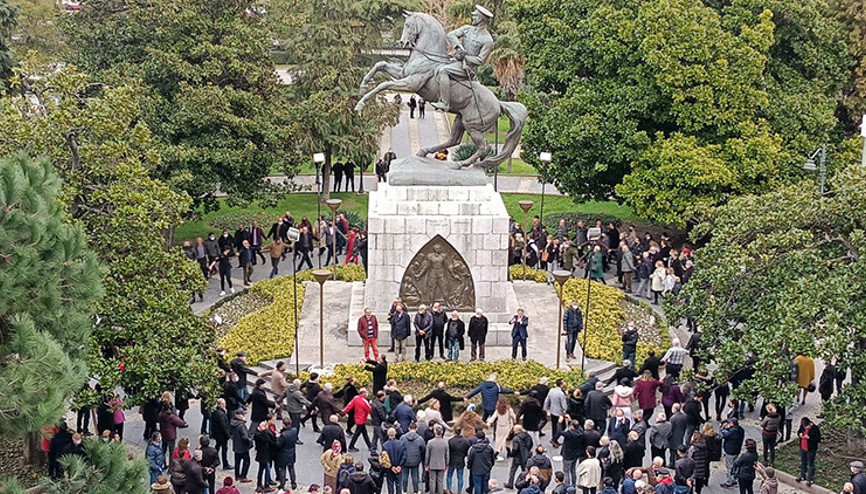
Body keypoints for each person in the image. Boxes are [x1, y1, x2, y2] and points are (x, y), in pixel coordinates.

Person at [431, 6, 494, 112]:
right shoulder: (467, 29)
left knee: (443, 71)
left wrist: (465, 57)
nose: (472, 17)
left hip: (467, 68)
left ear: (480, 19)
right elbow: (451, 35)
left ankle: (445, 103)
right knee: (437, 66)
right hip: (457, 61)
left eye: (475, 16)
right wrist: (458, 47)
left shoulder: (487, 40)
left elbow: (480, 60)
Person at [794, 417, 820, 486]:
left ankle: (810, 479)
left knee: (810, 464)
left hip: (811, 449)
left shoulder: (814, 428)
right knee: (803, 462)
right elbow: (799, 432)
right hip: (803, 447)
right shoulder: (802, 427)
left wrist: (809, 438)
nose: (805, 427)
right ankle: (802, 475)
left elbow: (818, 439)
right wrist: (800, 434)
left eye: (806, 426)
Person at [720, 417, 745, 488]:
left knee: (729, 466)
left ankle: (729, 481)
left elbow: (723, 435)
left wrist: (724, 428)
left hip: (730, 451)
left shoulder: (731, 432)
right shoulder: (741, 430)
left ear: (732, 424)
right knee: (735, 465)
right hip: (737, 450)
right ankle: (734, 479)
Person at [544, 379, 569, 445]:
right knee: (562, 427)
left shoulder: (551, 390)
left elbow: (547, 400)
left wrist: (546, 409)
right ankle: (554, 439)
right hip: (560, 413)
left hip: (553, 411)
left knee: (554, 426)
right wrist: (565, 412)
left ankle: (555, 439)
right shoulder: (561, 394)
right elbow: (564, 405)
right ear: (561, 385)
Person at [425, 425, 449, 494]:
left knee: (432, 481)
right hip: (442, 464)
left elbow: (427, 455)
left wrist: (426, 464)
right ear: (442, 432)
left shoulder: (430, 442)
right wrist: (447, 465)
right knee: (440, 481)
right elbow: (447, 455)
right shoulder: (445, 442)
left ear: (435, 432)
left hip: (432, 464)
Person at [383, 428, 406, 494]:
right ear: (395, 433)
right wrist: (400, 466)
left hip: (390, 469)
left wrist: (391, 467)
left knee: (390, 485)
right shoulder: (401, 444)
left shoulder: (385, 445)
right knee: (399, 485)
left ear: (388, 434)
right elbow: (404, 456)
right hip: (399, 468)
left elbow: (385, 459)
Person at [448, 425, 470, 493]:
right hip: (461, 460)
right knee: (460, 477)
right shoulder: (466, 441)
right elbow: (467, 451)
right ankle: (459, 491)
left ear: (454, 432)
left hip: (452, 460)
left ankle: (449, 490)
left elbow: (448, 452)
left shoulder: (450, 441)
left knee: (449, 476)